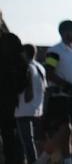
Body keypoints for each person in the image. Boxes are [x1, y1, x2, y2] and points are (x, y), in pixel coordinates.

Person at [43, 19, 72, 164]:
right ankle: (42, 160)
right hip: (59, 96)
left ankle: (67, 161)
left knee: (70, 134)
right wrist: (67, 85)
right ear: (63, 33)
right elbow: (49, 73)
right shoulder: (55, 50)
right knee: (64, 129)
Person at [1, 11, 28, 164]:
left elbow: (24, 67)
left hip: (6, 97)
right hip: (8, 96)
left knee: (8, 136)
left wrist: (17, 89)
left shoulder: (11, 40)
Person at [16, 44, 46, 163]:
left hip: (24, 109)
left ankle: (32, 161)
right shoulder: (40, 67)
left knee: (27, 141)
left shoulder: (26, 67)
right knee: (31, 140)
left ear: (24, 53)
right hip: (37, 108)